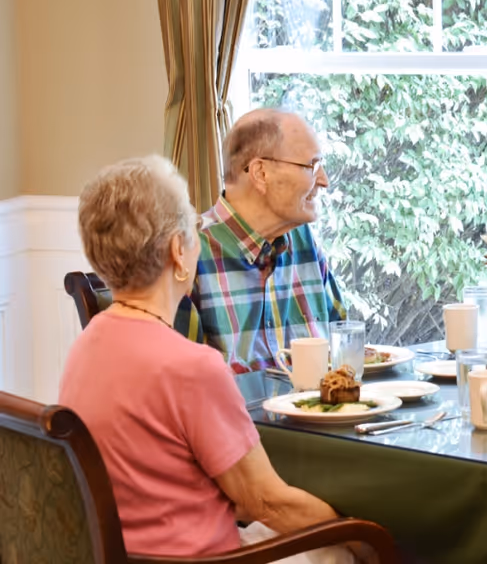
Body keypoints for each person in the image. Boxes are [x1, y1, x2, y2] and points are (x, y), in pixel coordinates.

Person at [61, 156, 369, 563]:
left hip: (128, 553)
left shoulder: (84, 346)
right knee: (348, 548)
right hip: (205, 557)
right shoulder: (192, 366)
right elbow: (267, 502)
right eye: (194, 227)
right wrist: (368, 539)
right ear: (178, 251)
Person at [175, 108, 346, 374]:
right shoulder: (188, 253)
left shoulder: (303, 242)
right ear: (260, 173)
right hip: (236, 416)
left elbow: (344, 345)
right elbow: (178, 386)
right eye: (312, 166)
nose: (323, 181)